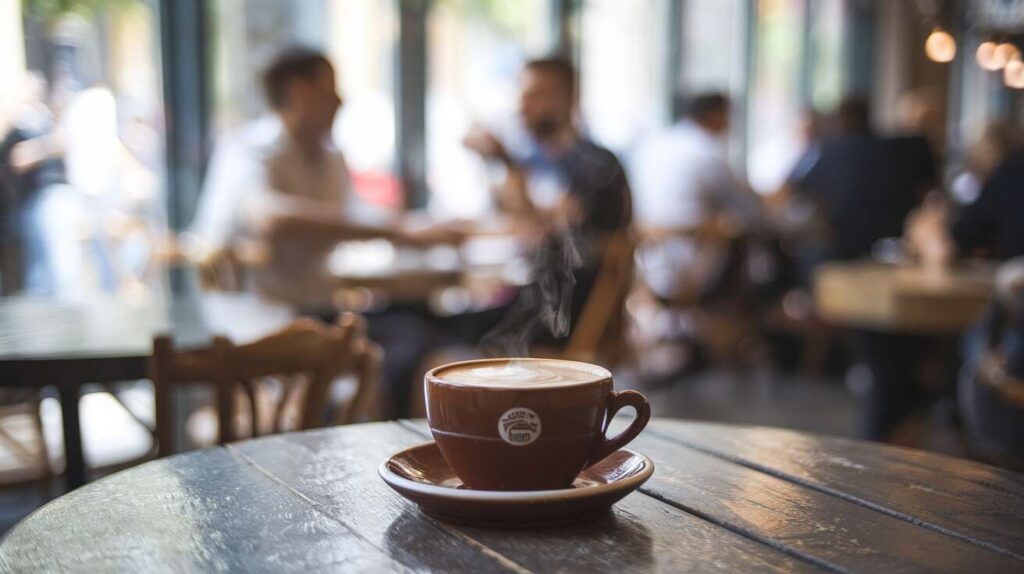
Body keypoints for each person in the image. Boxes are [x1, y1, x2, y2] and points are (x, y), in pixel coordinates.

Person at [191, 47, 460, 311]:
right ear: (300, 92)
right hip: (255, 319)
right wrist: (399, 230)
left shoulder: (330, 156)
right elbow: (271, 218)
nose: (339, 101)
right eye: (329, 90)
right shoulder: (249, 149)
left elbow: (353, 215)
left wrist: (416, 227)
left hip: (316, 310)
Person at [462, 57, 632, 352]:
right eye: (522, 95)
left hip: (555, 314)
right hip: (522, 299)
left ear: (568, 98)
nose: (522, 106)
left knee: (425, 336)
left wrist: (504, 161)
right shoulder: (538, 160)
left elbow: (551, 231)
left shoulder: (596, 166)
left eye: (534, 95)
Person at [631, 92, 762, 302]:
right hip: (686, 257)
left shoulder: (658, 142)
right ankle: (730, 319)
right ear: (714, 115)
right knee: (736, 227)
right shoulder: (706, 150)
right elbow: (748, 205)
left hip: (645, 255)